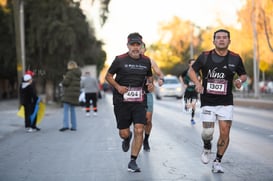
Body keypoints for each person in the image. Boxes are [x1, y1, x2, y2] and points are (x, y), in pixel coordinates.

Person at [188, 29, 247, 173]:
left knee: (225, 133)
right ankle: (207, 146)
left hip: (226, 102)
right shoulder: (205, 56)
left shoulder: (235, 58)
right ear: (214, 41)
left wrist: (239, 80)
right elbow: (191, 71)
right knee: (208, 132)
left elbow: (243, 74)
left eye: (224, 37)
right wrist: (198, 83)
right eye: (218, 38)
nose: (221, 40)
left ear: (229, 41)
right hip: (208, 100)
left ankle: (217, 161)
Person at [105, 32, 154, 172]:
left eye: (138, 44)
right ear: (127, 46)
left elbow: (150, 78)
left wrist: (151, 85)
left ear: (141, 46)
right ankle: (127, 138)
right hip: (121, 101)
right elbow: (108, 76)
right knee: (124, 132)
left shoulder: (146, 61)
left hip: (139, 100)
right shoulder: (119, 60)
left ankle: (133, 161)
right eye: (132, 45)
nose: (135, 47)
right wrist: (118, 87)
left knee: (139, 129)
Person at [140, 43, 164, 152]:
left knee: (148, 120)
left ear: (144, 49)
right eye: (137, 46)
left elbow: (160, 73)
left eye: (141, 47)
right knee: (136, 120)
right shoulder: (128, 61)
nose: (139, 49)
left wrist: (160, 79)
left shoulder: (149, 61)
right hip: (133, 94)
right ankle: (135, 138)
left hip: (147, 93)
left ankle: (146, 139)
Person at [59, 61, 82, 132]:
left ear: (70, 66)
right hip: (75, 95)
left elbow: (66, 83)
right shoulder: (78, 74)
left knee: (66, 110)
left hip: (68, 94)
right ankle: (74, 126)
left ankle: (65, 125)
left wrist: (64, 78)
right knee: (72, 110)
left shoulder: (70, 73)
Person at [180, 59, 200, 125]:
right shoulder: (186, 71)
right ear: (189, 64)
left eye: (195, 63)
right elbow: (180, 77)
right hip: (188, 90)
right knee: (187, 102)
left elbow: (200, 79)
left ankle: (192, 119)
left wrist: (199, 85)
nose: (194, 64)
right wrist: (183, 84)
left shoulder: (197, 71)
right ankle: (186, 106)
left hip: (194, 90)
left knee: (194, 105)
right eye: (192, 63)